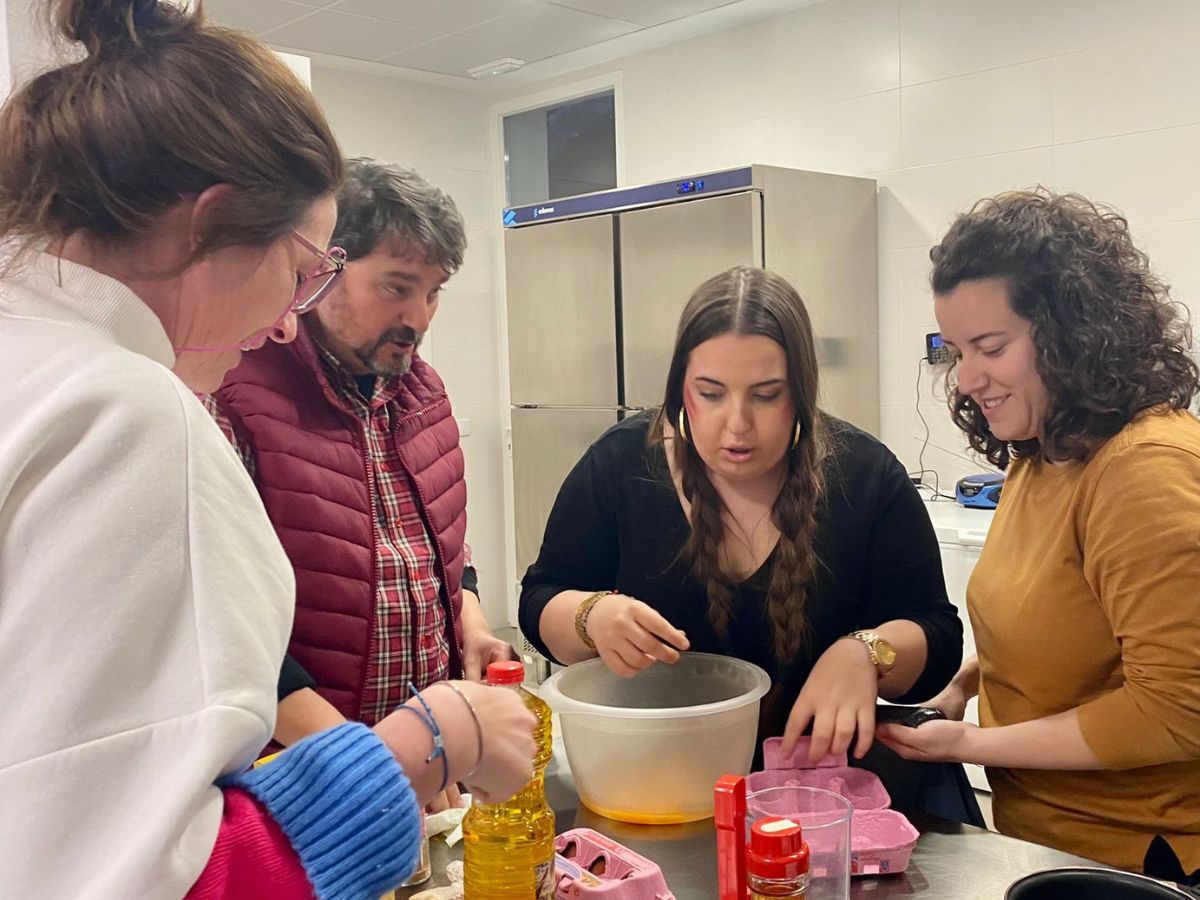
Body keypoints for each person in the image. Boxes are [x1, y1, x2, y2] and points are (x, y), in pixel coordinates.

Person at [0, 2, 534, 897]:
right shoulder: (134, 411)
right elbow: (121, 868)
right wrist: (411, 749)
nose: (287, 315)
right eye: (299, 273)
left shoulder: (32, 357)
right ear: (207, 225)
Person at [877, 189, 1200, 873]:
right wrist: (961, 689)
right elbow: (1062, 634)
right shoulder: (1044, 452)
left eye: (989, 347)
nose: (966, 380)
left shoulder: (1143, 470)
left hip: (1138, 860)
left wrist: (968, 746)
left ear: (1072, 331)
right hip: (1045, 842)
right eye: (956, 351)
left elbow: (1177, 709)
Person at [519, 265, 963, 763]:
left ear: (802, 390)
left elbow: (938, 638)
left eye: (766, 395)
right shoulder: (621, 464)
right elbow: (539, 601)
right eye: (710, 394)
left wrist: (867, 652)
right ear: (679, 388)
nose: (737, 425)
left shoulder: (865, 476)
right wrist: (589, 616)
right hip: (660, 777)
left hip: (818, 786)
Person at [204, 160, 513, 770]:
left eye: (434, 291)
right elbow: (220, 624)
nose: (420, 318)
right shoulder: (233, 398)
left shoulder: (423, 393)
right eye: (396, 287)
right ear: (322, 268)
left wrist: (469, 622)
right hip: (308, 774)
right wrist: (365, 763)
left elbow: (442, 546)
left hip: (430, 760)